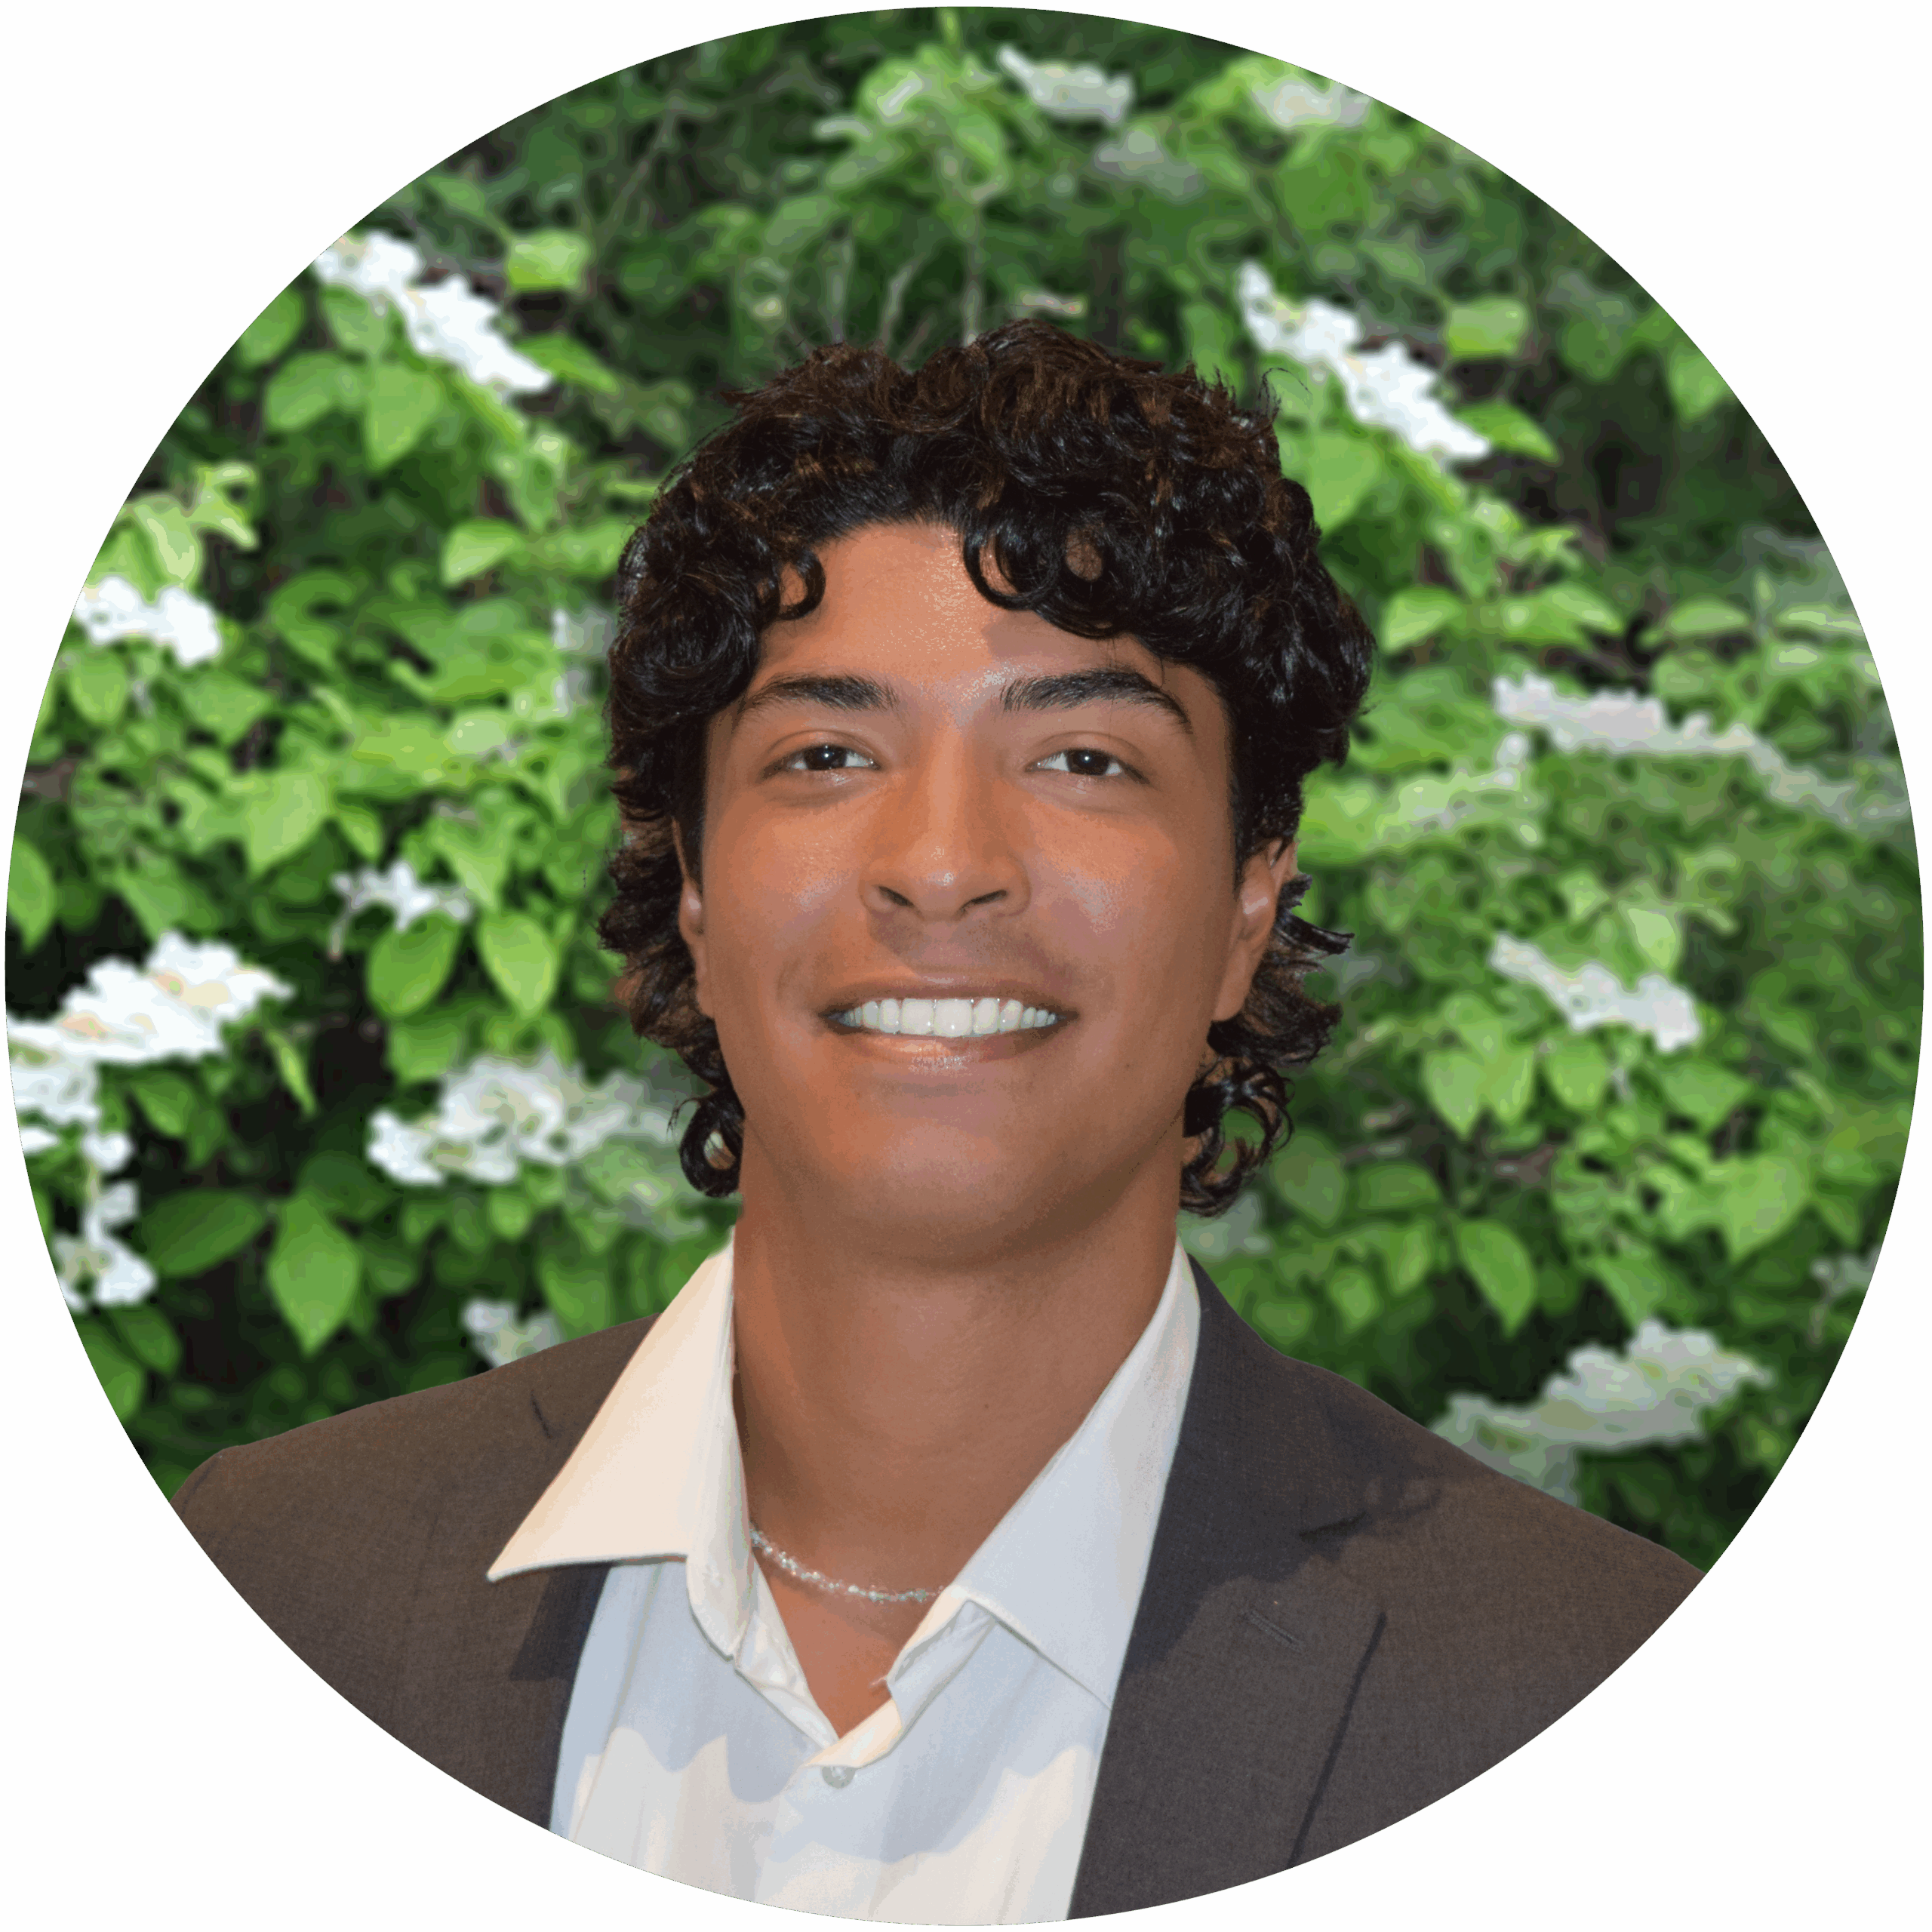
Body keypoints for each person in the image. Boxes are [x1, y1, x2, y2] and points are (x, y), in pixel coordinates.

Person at [173, 321, 1699, 1921]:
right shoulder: (275, 1589)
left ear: (1249, 905)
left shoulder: (1583, 1701)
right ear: (693, 886)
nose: (943, 863)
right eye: (827, 753)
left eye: (1084, 756)